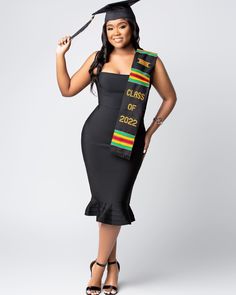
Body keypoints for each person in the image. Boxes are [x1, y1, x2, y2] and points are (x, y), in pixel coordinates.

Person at [56, 1, 177, 294]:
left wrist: (150, 132)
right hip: (95, 139)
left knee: (115, 200)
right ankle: (112, 266)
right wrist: (60, 56)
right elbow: (68, 89)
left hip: (130, 139)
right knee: (107, 204)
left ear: (132, 28)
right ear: (105, 31)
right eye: (110, 28)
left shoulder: (149, 61)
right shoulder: (98, 58)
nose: (116, 32)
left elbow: (170, 98)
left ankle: (97, 267)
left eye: (121, 26)